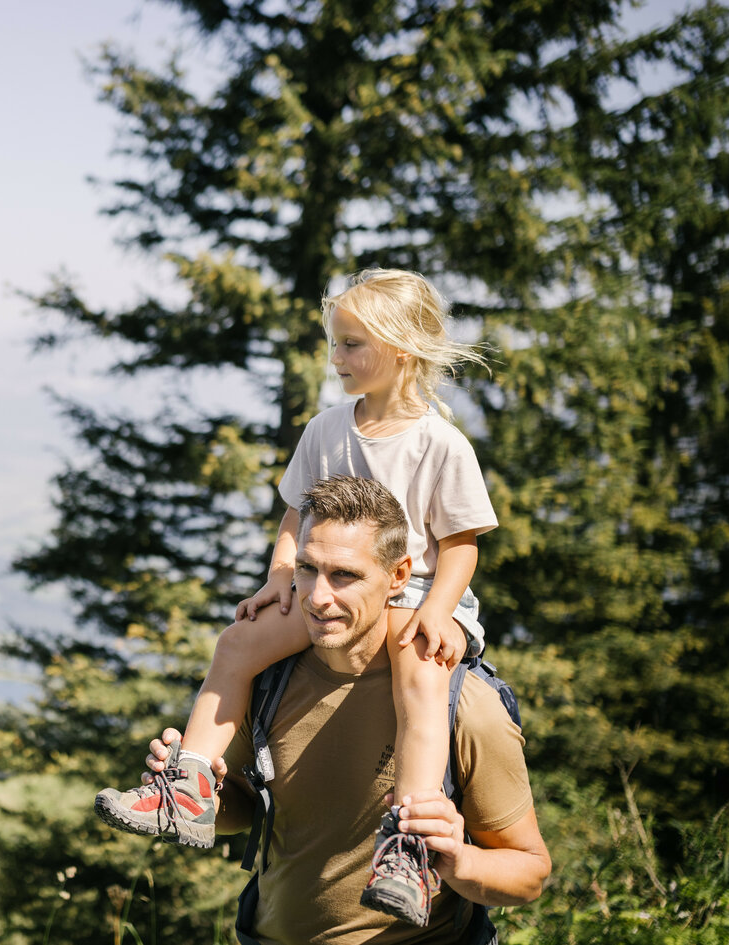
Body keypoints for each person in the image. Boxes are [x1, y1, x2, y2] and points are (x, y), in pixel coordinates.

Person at [95, 269, 499, 925]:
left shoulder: (438, 443)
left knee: (423, 683)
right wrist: (281, 576)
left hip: (418, 589)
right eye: (334, 344)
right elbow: (294, 519)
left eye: (351, 345)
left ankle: (408, 847)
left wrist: (438, 609)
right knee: (238, 643)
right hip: (328, 585)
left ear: (401, 349)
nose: (335, 359)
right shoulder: (325, 430)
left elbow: (461, 543)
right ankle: (190, 785)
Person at [150, 475, 550, 942]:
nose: (318, 597)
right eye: (306, 569)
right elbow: (240, 809)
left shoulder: (462, 706)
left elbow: (529, 873)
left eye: (345, 575)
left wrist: (457, 859)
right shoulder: (266, 681)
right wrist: (202, 794)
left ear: (398, 576)